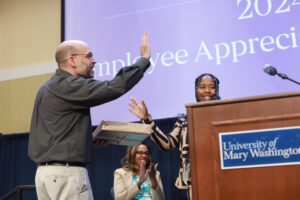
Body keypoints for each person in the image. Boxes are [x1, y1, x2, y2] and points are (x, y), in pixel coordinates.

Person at [27, 32, 151, 200]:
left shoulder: (47, 87)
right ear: (72, 60)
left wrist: (85, 142)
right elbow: (114, 87)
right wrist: (143, 59)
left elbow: (55, 135)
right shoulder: (68, 85)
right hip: (67, 174)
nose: (94, 61)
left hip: (45, 175)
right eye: (89, 56)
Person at [128, 73, 220, 200]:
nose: (207, 91)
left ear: (217, 89)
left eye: (211, 87)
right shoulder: (185, 120)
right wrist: (146, 119)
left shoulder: (224, 115)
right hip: (194, 179)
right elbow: (167, 144)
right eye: (202, 87)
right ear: (196, 90)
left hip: (220, 175)